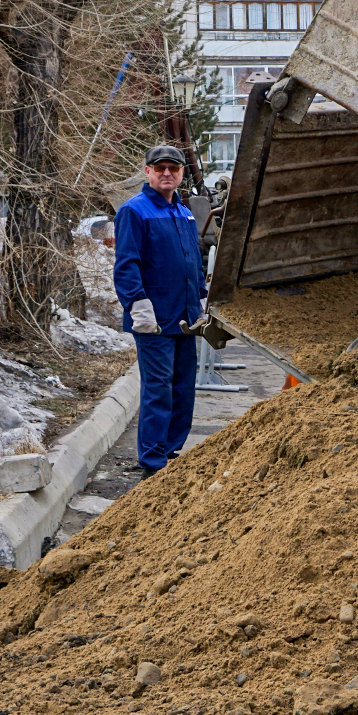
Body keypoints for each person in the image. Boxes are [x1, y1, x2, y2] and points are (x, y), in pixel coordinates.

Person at [113, 145, 207, 477]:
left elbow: (193, 262)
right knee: (158, 389)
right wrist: (138, 305)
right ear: (148, 172)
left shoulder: (184, 212)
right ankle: (153, 462)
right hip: (153, 321)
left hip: (184, 318)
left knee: (183, 387)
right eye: (160, 167)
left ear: (182, 173)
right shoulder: (134, 211)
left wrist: (202, 297)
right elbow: (127, 264)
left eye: (174, 168)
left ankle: (169, 451)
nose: (167, 173)